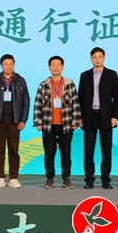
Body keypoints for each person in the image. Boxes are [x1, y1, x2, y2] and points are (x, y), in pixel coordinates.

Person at [33, 56, 81, 189]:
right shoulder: (43, 85)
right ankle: (50, 179)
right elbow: (38, 103)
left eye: (58, 64)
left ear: (62, 67)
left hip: (66, 124)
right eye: (53, 65)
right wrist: (38, 122)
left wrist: (75, 121)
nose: (55, 67)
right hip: (48, 125)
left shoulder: (69, 84)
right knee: (49, 154)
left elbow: (76, 103)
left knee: (66, 154)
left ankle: (66, 179)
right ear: (49, 67)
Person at [0, 54, 31, 188]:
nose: (8, 66)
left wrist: (23, 120)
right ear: (1, 66)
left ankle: (13, 178)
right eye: (6, 64)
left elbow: (26, 102)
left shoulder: (20, 80)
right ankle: (0, 177)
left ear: (14, 65)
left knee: (14, 150)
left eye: (11, 64)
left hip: (14, 121)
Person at [78, 47, 118, 189]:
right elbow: (80, 98)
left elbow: (117, 97)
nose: (97, 59)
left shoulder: (112, 74)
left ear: (104, 58)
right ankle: (89, 180)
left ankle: (105, 180)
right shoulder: (84, 75)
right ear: (91, 58)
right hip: (89, 116)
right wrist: (80, 117)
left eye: (100, 57)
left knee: (106, 150)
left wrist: (115, 116)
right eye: (94, 57)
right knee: (88, 151)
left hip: (106, 116)